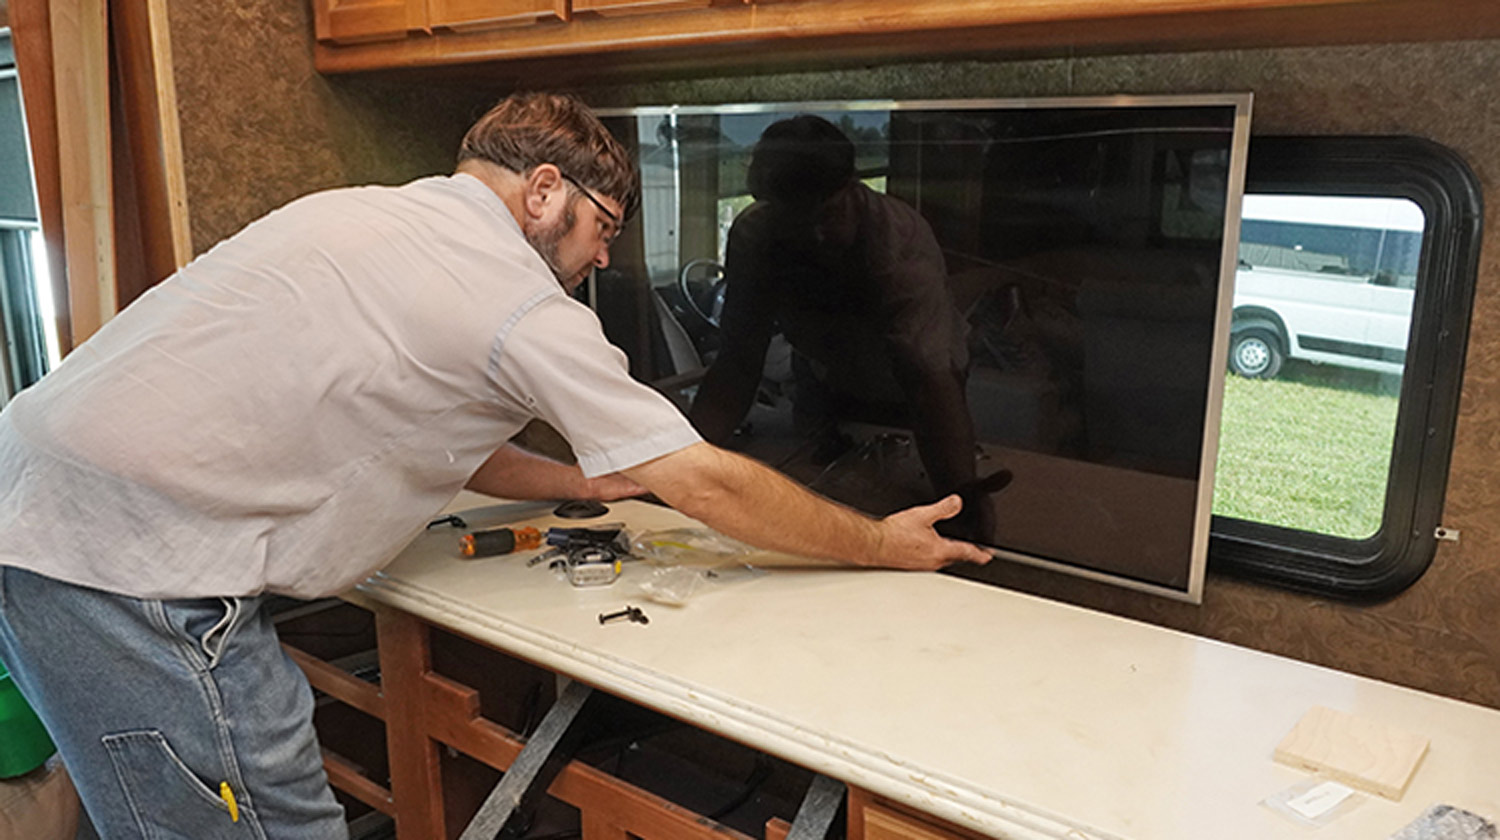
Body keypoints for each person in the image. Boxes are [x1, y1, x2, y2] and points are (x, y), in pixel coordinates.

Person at [0, 93, 988, 838]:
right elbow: (705, 479)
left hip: (35, 517)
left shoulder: (362, 217)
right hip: (131, 573)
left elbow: (441, 436)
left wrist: (585, 482)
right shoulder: (511, 295)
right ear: (545, 190)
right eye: (605, 227)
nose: (606, 258)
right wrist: (877, 542)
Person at [689, 115, 989, 535]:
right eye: (795, 219)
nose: (814, 234)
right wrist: (685, 467)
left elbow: (930, 380)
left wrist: (962, 498)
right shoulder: (756, 237)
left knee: (915, 506)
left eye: (828, 214)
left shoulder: (900, 246)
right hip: (823, 383)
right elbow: (737, 364)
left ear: (852, 187)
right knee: (819, 503)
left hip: (913, 396)